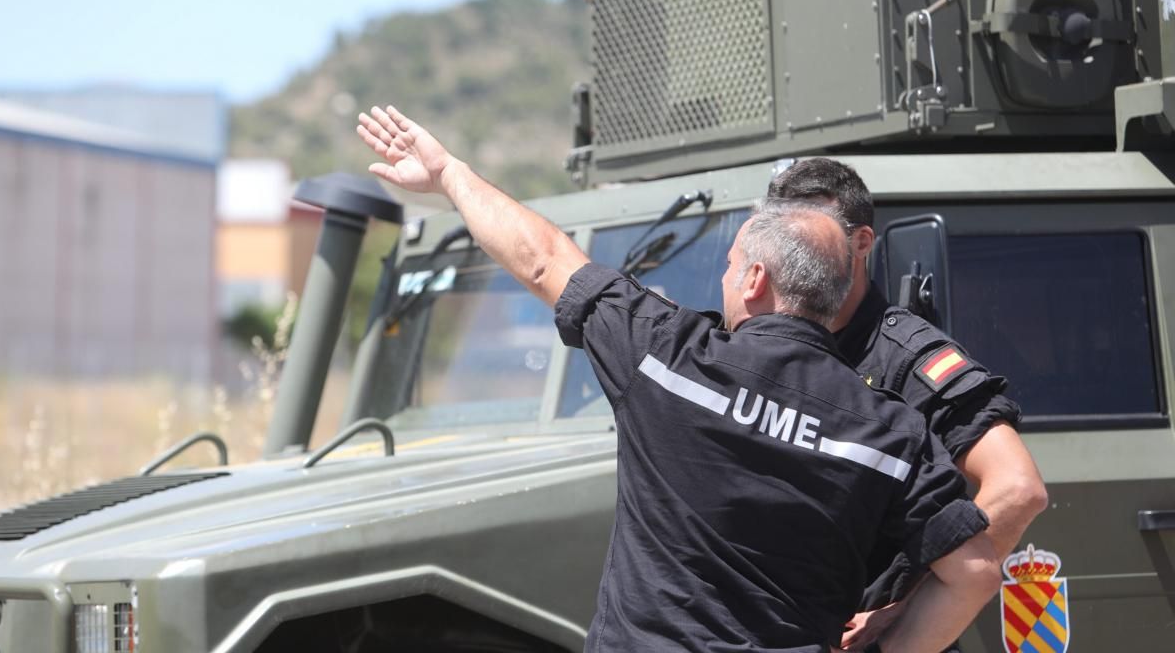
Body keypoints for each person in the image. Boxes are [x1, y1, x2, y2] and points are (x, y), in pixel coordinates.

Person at [357, 105, 1002, 653]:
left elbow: (545, 258)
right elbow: (974, 571)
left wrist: (448, 174)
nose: (723, 279)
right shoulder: (890, 434)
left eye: (729, 264)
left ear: (754, 280)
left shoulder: (667, 359)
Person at [767, 158, 1049, 647]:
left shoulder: (905, 359)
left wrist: (908, 602)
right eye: (780, 241)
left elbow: (1018, 489)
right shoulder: (764, 344)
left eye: (813, 240)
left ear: (861, 244)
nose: (792, 259)